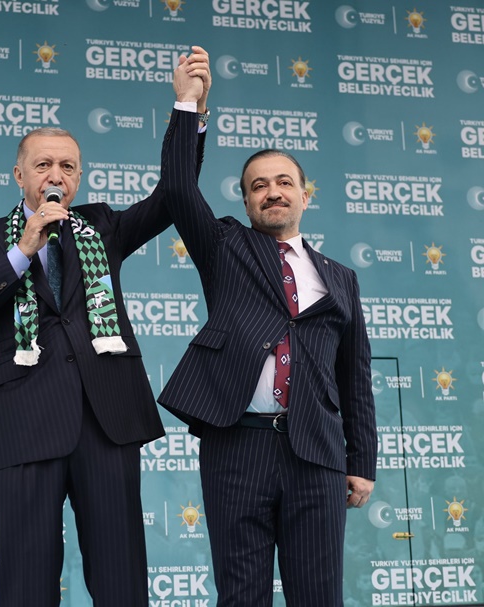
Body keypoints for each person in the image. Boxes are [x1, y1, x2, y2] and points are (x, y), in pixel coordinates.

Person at [0, 47, 211, 607]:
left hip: (105, 422)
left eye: (67, 167)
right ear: (19, 175)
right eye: (43, 165)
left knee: (120, 584)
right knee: (26, 583)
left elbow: (174, 197)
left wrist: (188, 108)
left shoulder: (102, 225)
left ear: (79, 176)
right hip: (24, 427)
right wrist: (22, 251)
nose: (56, 175)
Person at [158, 54, 377, 606]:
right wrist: (190, 106)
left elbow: (355, 377)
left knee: (318, 596)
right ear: (247, 200)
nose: (272, 192)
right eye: (259, 185)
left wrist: (360, 462)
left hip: (316, 454)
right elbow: (178, 187)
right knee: (241, 596)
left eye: (284, 182)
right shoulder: (225, 246)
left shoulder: (341, 279)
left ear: (306, 194)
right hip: (237, 446)